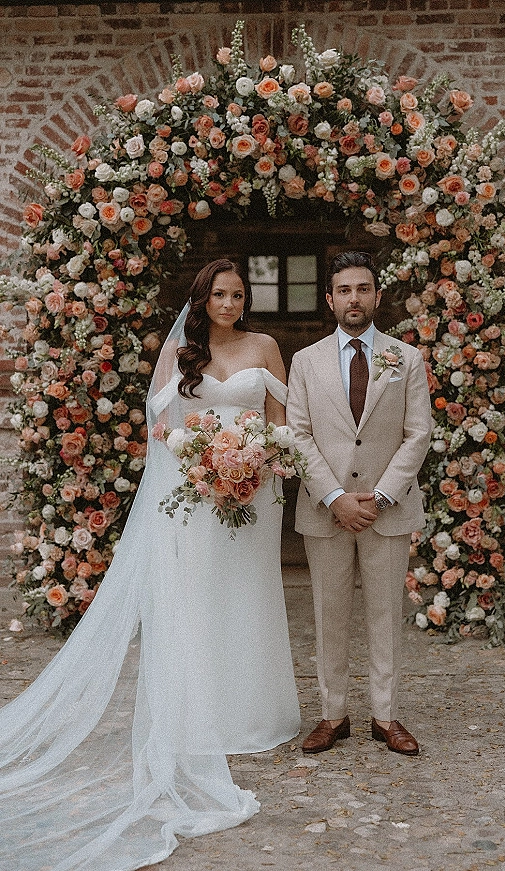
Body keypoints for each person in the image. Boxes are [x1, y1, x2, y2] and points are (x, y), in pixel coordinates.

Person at [0, 259, 300, 871]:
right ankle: (201, 712)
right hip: (194, 496)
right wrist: (204, 464)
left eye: (239, 294)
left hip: (254, 497)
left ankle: (253, 713)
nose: (230, 303)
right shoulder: (182, 354)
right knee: (196, 603)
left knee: (249, 601)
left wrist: (260, 460)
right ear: (202, 299)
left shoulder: (265, 346)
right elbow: (161, 429)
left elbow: (283, 426)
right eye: (219, 294)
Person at [286, 251, 432, 755]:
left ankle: (385, 716)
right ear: (330, 300)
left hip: (386, 508)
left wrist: (383, 493)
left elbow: (419, 433)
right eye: (345, 290)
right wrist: (335, 498)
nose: (354, 298)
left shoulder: (405, 358)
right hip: (326, 511)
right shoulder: (305, 361)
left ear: (377, 295)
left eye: (363, 289)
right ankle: (333, 714)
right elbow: (299, 436)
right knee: (328, 613)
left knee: (386, 613)